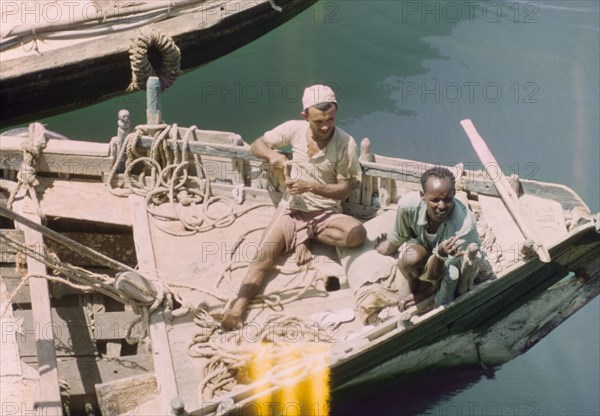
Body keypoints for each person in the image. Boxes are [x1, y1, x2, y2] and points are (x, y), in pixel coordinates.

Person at [217, 84, 367, 330]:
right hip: (291, 208)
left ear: (336, 111)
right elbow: (257, 144)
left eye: (330, 119)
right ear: (305, 116)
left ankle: (305, 236)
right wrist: (273, 156)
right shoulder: (293, 130)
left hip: (325, 213)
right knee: (262, 257)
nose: (326, 126)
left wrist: (310, 187)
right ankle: (236, 310)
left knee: (356, 234)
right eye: (319, 121)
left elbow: (344, 190)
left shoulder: (345, 143)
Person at [375, 167, 480, 310]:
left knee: (450, 275)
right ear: (422, 196)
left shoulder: (463, 227)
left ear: (454, 194)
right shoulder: (408, 206)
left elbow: (440, 275)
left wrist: (422, 295)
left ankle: (427, 292)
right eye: (435, 200)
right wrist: (383, 248)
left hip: (446, 267)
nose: (442, 206)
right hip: (429, 250)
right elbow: (398, 237)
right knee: (410, 258)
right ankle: (412, 281)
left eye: (447, 199)